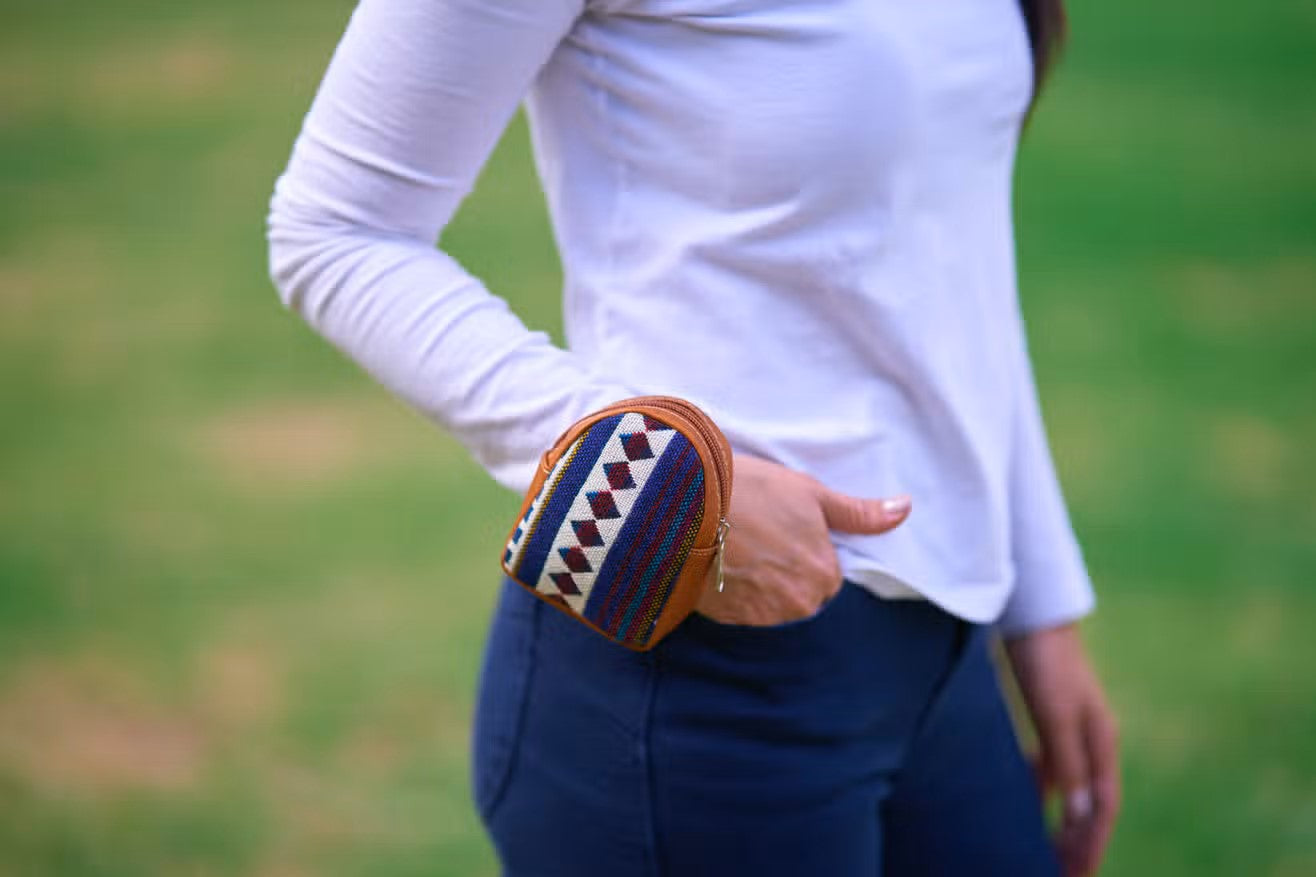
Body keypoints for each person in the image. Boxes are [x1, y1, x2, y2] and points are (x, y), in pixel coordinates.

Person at [267, 0, 1121, 873]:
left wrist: (1042, 609)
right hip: (691, 668)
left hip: (944, 653)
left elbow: (947, 258)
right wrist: (672, 490)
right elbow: (335, 230)